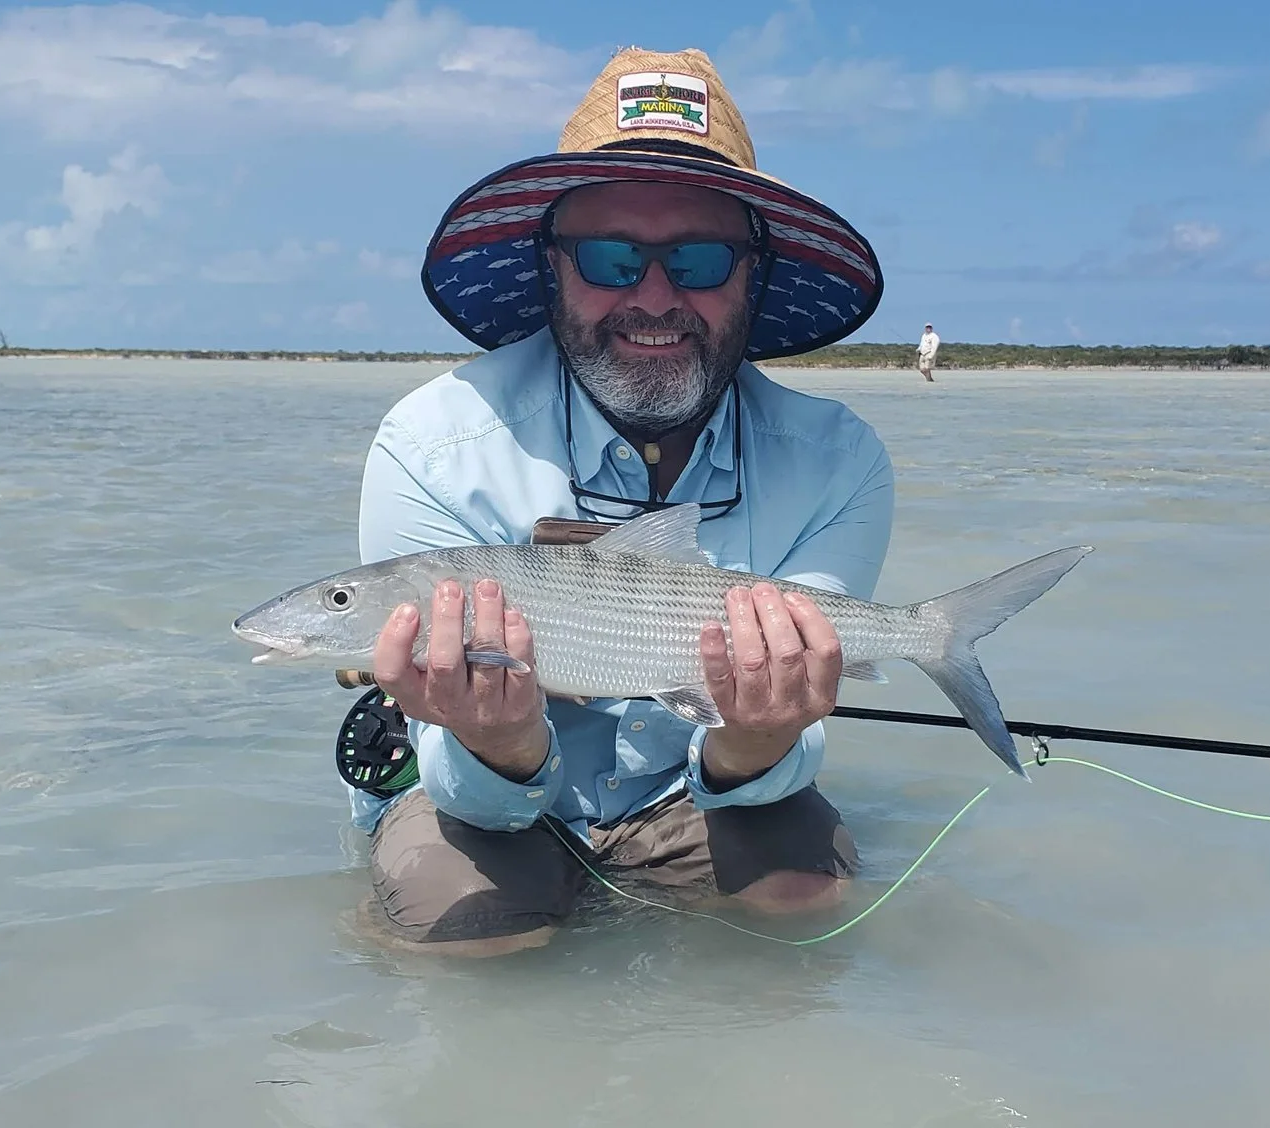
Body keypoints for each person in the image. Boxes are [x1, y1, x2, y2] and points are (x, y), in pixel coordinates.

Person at [348, 47, 892, 957]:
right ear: (551, 269)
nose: (652, 297)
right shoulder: (431, 445)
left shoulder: (840, 462)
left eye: (699, 258)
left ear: (751, 276)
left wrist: (754, 737)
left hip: (697, 787)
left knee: (807, 901)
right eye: (609, 257)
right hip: (482, 798)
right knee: (469, 938)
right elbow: (456, 778)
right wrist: (504, 741)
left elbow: (772, 764)